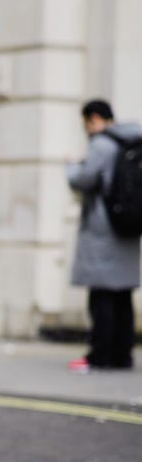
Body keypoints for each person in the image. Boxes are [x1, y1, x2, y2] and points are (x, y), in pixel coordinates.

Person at [65, 99, 141, 373]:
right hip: (130, 229)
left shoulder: (101, 144)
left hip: (103, 231)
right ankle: (122, 355)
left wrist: (72, 165)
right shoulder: (132, 141)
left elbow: (83, 180)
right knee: (122, 296)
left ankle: (99, 355)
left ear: (93, 118)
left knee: (101, 297)